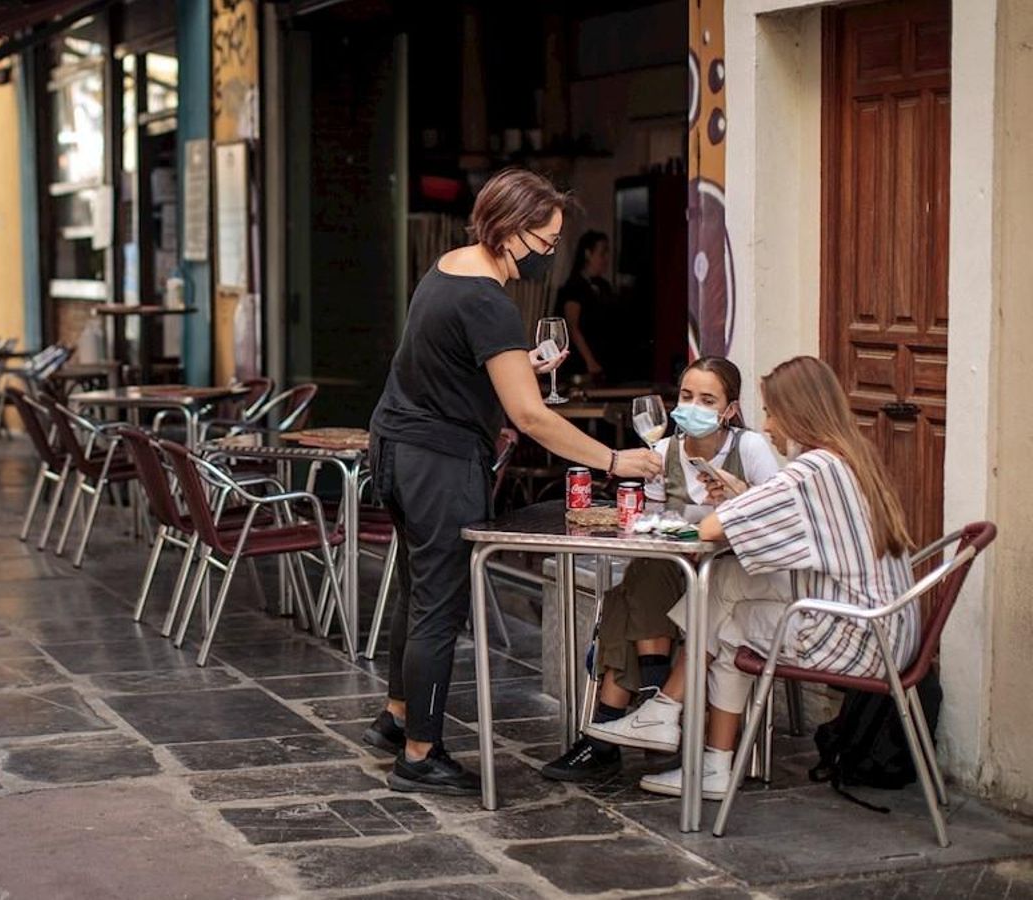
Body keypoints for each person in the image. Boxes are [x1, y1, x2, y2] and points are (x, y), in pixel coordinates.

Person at [364, 168, 663, 796]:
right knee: (440, 605)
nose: (550, 256)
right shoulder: (490, 301)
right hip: (438, 463)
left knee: (418, 592)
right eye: (546, 242)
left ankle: (398, 717)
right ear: (508, 229)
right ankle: (420, 754)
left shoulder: (449, 268)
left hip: (397, 447)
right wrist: (616, 461)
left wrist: (517, 365)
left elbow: (444, 363)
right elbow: (531, 418)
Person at [588, 355, 916, 799]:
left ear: (798, 414)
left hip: (853, 638)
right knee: (726, 583)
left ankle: (683, 732)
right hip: (889, 626)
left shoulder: (810, 470)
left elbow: (708, 529)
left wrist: (735, 505)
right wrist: (743, 497)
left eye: (774, 412)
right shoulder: (848, 459)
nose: (769, 425)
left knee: (727, 618)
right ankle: (678, 728)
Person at [542, 356, 780, 781]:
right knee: (639, 581)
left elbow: (775, 522)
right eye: (687, 396)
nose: (693, 407)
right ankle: (653, 705)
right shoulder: (663, 453)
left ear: (730, 409)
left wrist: (736, 498)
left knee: (628, 595)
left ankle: (607, 738)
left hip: (733, 576)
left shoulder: (750, 449)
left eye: (708, 400)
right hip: (676, 572)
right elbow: (648, 530)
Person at [554, 230, 615, 382]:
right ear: (588, 253)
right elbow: (572, 326)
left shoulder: (604, 286)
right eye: (602, 253)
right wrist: (590, 361)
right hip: (582, 365)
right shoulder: (574, 287)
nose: (606, 258)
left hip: (604, 360)